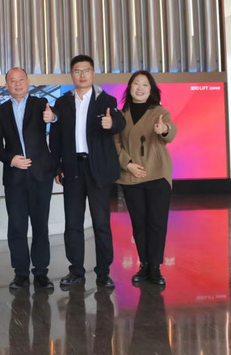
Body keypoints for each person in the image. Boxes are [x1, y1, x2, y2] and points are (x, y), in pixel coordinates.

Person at [49, 55, 124, 290]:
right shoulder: (62, 103)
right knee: (73, 223)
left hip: (97, 168)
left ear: (93, 73)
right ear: (72, 75)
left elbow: (119, 122)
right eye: (77, 71)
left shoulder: (106, 100)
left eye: (86, 70)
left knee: (101, 222)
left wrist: (112, 124)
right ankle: (76, 271)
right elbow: (56, 138)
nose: (82, 75)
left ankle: (104, 272)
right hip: (72, 168)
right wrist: (57, 167)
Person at [0, 67, 57, 291]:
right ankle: (20, 273)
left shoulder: (41, 104)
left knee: (40, 225)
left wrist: (53, 117)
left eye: (21, 79)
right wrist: (10, 159)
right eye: (12, 81)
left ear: (28, 82)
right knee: (17, 226)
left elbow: (57, 120)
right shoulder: (0, 111)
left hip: (41, 175)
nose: (17, 84)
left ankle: (41, 272)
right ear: (6, 85)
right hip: (15, 177)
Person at [115, 70, 177, 287]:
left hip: (157, 174)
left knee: (157, 223)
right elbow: (115, 144)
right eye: (136, 84)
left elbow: (171, 133)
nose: (140, 88)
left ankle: (155, 267)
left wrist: (164, 129)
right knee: (139, 224)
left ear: (151, 90)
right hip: (132, 176)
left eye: (145, 85)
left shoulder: (160, 112)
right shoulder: (121, 115)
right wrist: (128, 164)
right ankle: (144, 264)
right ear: (130, 87)